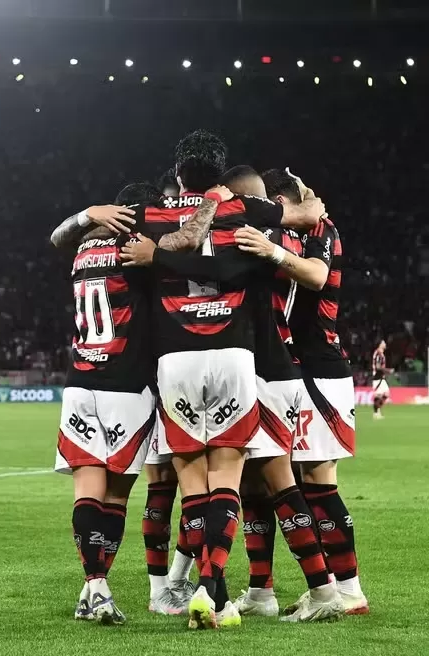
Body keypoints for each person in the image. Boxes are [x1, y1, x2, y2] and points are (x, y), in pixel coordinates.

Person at [117, 131, 333, 629]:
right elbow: (304, 218)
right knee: (238, 483)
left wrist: (95, 219)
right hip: (243, 357)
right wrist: (304, 209)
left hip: (178, 358)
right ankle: (221, 592)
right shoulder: (247, 213)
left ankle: (212, 592)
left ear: (176, 174)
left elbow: (109, 236)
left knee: (196, 482)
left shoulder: (154, 215)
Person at [233, 167, 369, 616]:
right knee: (262, 481)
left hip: (320, 371)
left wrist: (274, 245)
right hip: (288, 369)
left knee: (316, 484)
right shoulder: (297, 224)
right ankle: (264, 589)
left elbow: (313, 277)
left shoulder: (322, 229)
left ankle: (347, 590)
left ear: (280, 201)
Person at [51, 182, 162, 626]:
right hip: (126, 383)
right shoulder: (137, 248)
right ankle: (96, 585)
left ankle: (92, 588)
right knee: (115, 497)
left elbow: (57, 236)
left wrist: (85, 214)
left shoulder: (83, 247)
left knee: (86, 490)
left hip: (80, 381)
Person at [371, 340, 391, 420]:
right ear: (380, 345)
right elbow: (378, 367)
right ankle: (376, 413)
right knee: (380, 395)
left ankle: (377, 411)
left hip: (380, 377)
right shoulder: (379, 353)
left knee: (385, 394)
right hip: (377, 377)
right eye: (383, 343)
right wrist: (388, 370)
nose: (385, 344)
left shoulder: (380, 353)